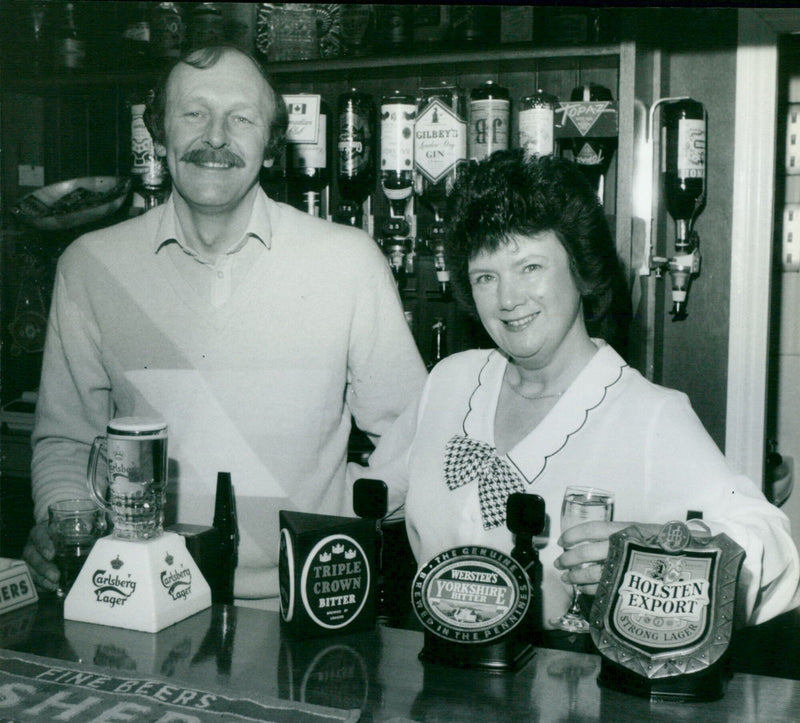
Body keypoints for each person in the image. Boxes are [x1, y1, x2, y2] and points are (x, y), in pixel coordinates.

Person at [23, 45, 427, 605]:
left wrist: (350, 513)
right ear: (159, 135)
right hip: (142, 600)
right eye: (194, 113)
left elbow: (415, 434)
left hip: (307, 606)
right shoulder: (90, 266)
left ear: (270, 144)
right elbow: (67, 442)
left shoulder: (348, 261)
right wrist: (65, 521)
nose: (216, 137)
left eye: (241, 118)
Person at [367, 149, 799, 628]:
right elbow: (371, 496)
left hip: (571, 693)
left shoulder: (649, 415)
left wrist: (657, 557)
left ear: (579, 267)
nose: (508, 300)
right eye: (486, 277)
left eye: (530, 267)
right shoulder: (450, 382)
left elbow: (774, 549)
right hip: (439, 685)